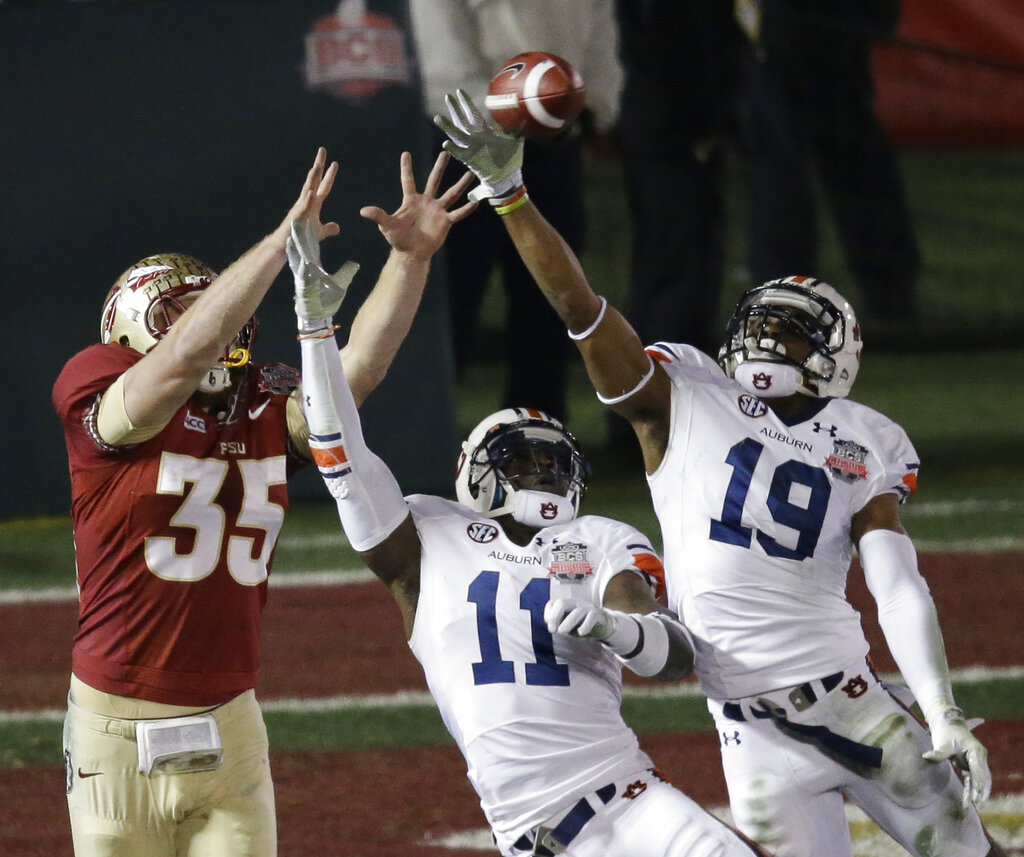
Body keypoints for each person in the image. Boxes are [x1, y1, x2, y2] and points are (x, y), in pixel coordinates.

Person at [433, 91, 1007, 857]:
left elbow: (894, 578)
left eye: (794, 332)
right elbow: (581, 308)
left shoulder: (865, 439)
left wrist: (939, 710)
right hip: (748, 730)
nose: (770, 337)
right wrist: (511, 198)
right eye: (763, 322)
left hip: (854, 705)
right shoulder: (685, 395)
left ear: (837, 358)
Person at [288, 218, 770, 857]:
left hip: (629, 796)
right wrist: (315, 332)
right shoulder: (426, 536)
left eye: (552, 461)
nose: (541, 471)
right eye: (518, 460)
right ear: (473, 473)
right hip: (532, 837)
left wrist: (611, 628)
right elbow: (339, 455)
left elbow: (675, 655)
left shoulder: (600, 538)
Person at [52, 148, 473, 857]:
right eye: (183, 311)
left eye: (212, 305)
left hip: (233, 719)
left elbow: (353, 377)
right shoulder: (100, 384)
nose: (219, 326)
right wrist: (284, 241)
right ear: (130, 328)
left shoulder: (259, 400)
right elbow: (181, 360)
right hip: (115, 728)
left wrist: (411, 260)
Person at [408, 0, 623, 419]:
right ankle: (423, 437)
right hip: (469, 145)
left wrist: (591, 104)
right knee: (451, 300)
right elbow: (443, 60)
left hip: (552, 144)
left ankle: (541, 440)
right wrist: (519, 109)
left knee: (552, 296)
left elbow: (599, 36)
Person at [734, 0, 921, 338]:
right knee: (836, 162)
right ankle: (882, 291)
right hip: (818, 30)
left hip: (804, 31)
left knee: (796, 166)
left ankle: (786, 304)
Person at [615, 0, 740, 357]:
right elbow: (675, 41)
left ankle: (667, 381)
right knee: (678, 264)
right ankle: (657, 384)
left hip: (667, 121)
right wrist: (707, 118)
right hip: (673, 127)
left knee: (682, 260)